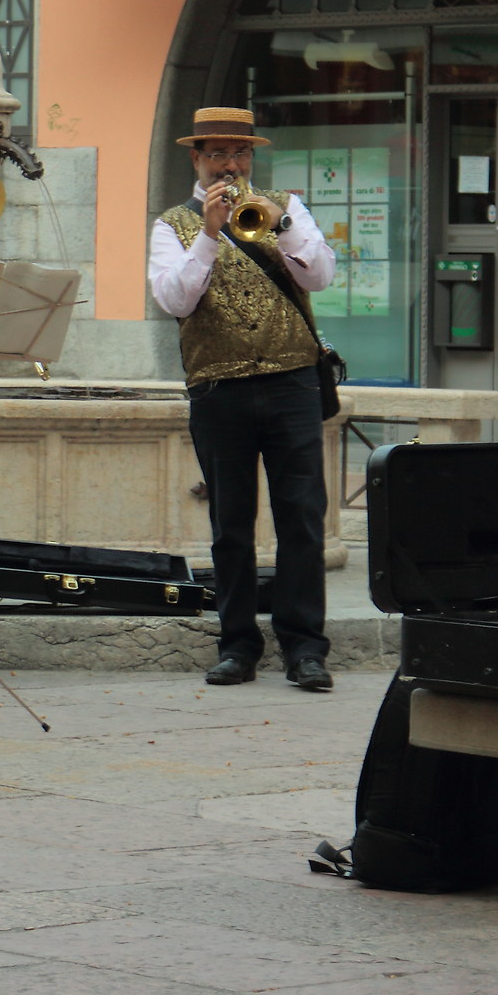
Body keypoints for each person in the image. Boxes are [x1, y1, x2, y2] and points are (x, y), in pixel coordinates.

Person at [147, 106, 339, 692]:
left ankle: (305, 649)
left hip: (291, 382)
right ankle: (237, 645)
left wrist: (281, 224)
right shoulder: (172, 225)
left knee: (302, 519)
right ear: (196, 158)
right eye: (218, 155)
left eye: (241, 154)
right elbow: (175, 301)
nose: (231, 165)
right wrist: (208, 235)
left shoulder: (287, 205)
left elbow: (321, 276)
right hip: (219, 389)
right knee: (231, 523)